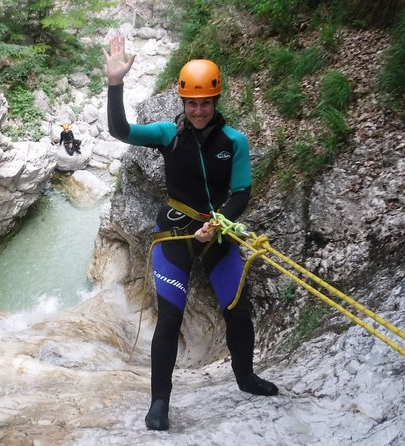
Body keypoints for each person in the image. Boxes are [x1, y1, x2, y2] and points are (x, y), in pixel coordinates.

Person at [103, 35, 278, 431]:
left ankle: (245, 377)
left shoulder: (234, 142)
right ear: (183, 103)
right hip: (175, 232)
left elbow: (242, 191)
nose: (198, 110)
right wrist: (116, 85)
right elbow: (121, 130)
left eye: (205, 102)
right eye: (192, 103)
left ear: (216, 101)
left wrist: (218, 223)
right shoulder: (170, 135)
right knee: (169, 318)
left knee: (237, 309)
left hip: (218, 229)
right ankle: (160, 402)